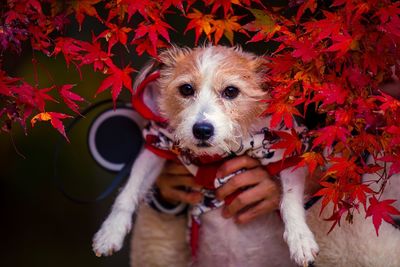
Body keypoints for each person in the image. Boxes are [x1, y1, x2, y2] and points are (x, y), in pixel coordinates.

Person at [130, 155, 320, 267]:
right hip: (177, 239)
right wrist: (155, 180)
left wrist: (306, 182)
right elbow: (144, 121)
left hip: (310, 236)